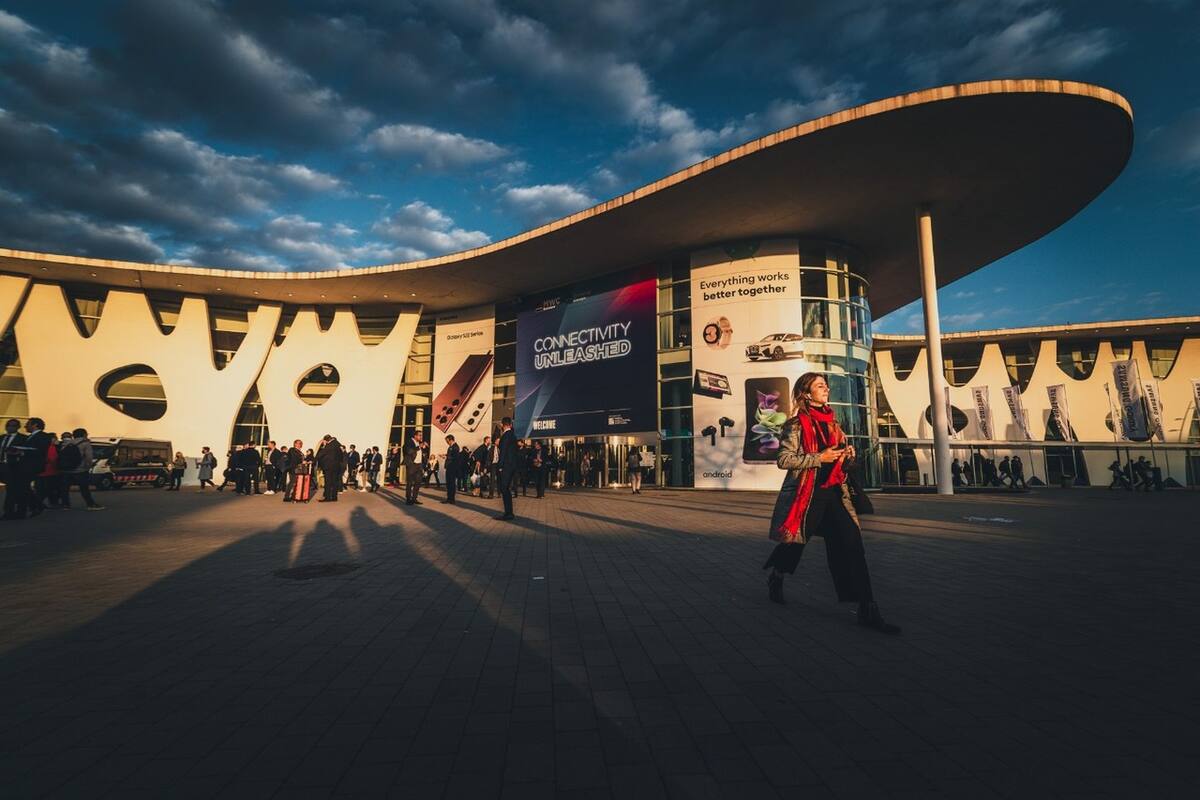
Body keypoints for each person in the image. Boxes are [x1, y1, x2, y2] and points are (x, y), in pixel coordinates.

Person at [764, 372, 899, 634]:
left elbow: (839, 461)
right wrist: (820, 457)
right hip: (808, 495)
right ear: (806, 393)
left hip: (836, 494)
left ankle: (867, 608)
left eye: (826, 385)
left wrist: (847, 457)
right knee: (795, 544)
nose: (826, 388)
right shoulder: (795, 425)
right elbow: (784, 460)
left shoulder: (833, 422)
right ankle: (776, 576)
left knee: (853, 545)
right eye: (819, 385)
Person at [60, 428, 103, 511]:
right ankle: (90, 504)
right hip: (80, 469)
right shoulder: (85, 443)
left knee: (65, 488)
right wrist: (88, 466)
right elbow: (89, 457)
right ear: (84, 434)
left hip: (66, 469)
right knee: (84, 488)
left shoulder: (67, 443)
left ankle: (65, 505)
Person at [1, 418, 28, 519]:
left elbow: (27, 452)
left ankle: (15, 511)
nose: (9, 428)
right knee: (10, 489)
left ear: (17, 427)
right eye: (8, 425)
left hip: (15, 467)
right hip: (3, 466)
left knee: (14, 489)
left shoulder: (23, 438)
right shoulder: (2, 437)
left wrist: (19, 454)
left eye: (12, 426)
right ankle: (10, 511)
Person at [496, 417, 518, 521]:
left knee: (504, 488)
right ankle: (509, 512)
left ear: (503, 424)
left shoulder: (505, 436)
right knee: (506, 489)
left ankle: (508, 513)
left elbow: (503, 451)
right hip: (512, 465)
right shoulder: (513, 435)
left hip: (506, 466)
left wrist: (500, 466)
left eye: (501, 424)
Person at [316, 435, 344, 502]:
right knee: (334, 482)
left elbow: (320, 455)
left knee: (328, 482)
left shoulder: (329, 445)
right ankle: (334, 497)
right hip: (336, 466)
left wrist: (323, 446)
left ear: (326, 440)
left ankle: (327, 497)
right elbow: (341, 455)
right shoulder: (337, 444)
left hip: (328, 466)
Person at [403, 430, 423, 505]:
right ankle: (408, 499)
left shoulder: (418, 443)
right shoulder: (409, 442)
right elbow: (409, 451)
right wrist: (418, 447)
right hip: (412, 464)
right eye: (419, 435)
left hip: (419, 465)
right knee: (410, 482)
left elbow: (419, 454)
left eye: (421, 435)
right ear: (415, 436)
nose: (421, 437)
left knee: (418, 482)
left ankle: (414, 498)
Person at [443, 436, 460, 504]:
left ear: (451, 440)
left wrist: (446, 457)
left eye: (447, 441)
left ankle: (451, 499)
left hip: (452, 467)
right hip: (449, 467)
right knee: (449, 483)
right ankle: (449, 498)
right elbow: (451, 455)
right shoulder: (451, 447)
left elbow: (455, 457)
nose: (447, 442)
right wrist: (446, 455)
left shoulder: (455, 447)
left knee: (451, 483)